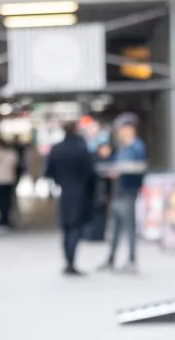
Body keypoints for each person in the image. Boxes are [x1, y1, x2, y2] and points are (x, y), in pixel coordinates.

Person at [45, 123, 97, 275]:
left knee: (66, 227)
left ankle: (68, 260)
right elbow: (91, 173)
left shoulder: (57, 149)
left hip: (64, 192)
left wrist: (60, 181)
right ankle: (70, 261)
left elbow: (49, 171)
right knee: (75, 227)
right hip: (81, 192)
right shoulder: (82, 149)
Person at [100, 112, 147, 272]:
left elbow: (138, 167)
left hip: (128, 191)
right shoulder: (122, 148)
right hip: (117, 191)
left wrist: (122, 170)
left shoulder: (137, 147)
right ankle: (111, 258)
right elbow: (114, 164)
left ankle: (132, 260)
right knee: (115, 228)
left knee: (129, 227)